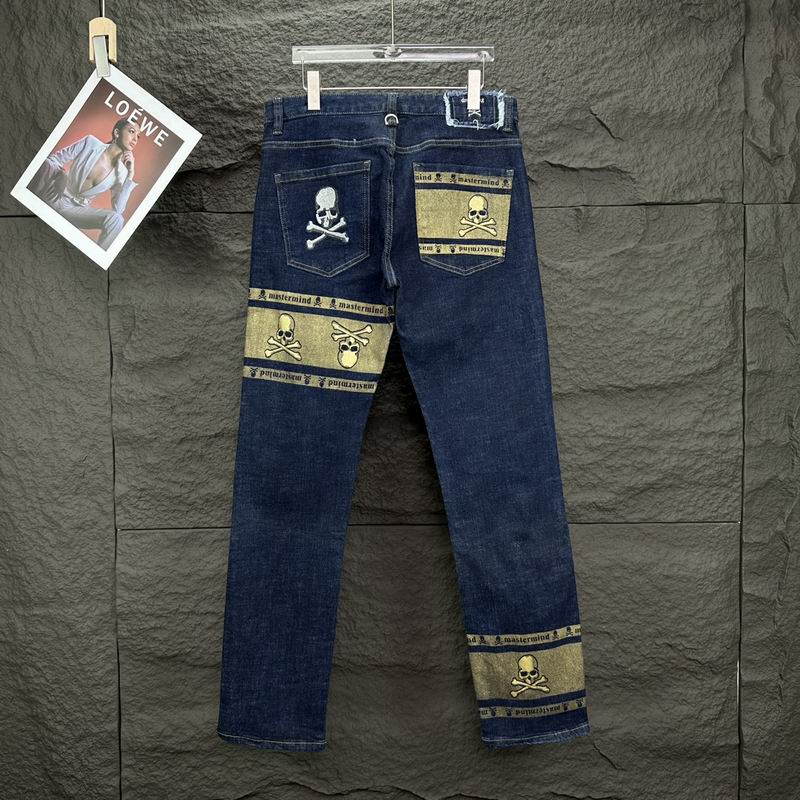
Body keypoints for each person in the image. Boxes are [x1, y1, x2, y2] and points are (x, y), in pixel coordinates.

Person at [32, 117, 140, 249]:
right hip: (55, 195)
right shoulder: (90, 143)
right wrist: (61, 173)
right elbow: (53, 160)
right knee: (44, 164)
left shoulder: (122, 173)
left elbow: (118, 209)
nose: (135, 139)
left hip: (76, 211)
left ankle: (99, 256)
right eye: (131, 131)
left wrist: (130, 175)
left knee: (117, 219)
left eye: (138, 136)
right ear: (117, 133)